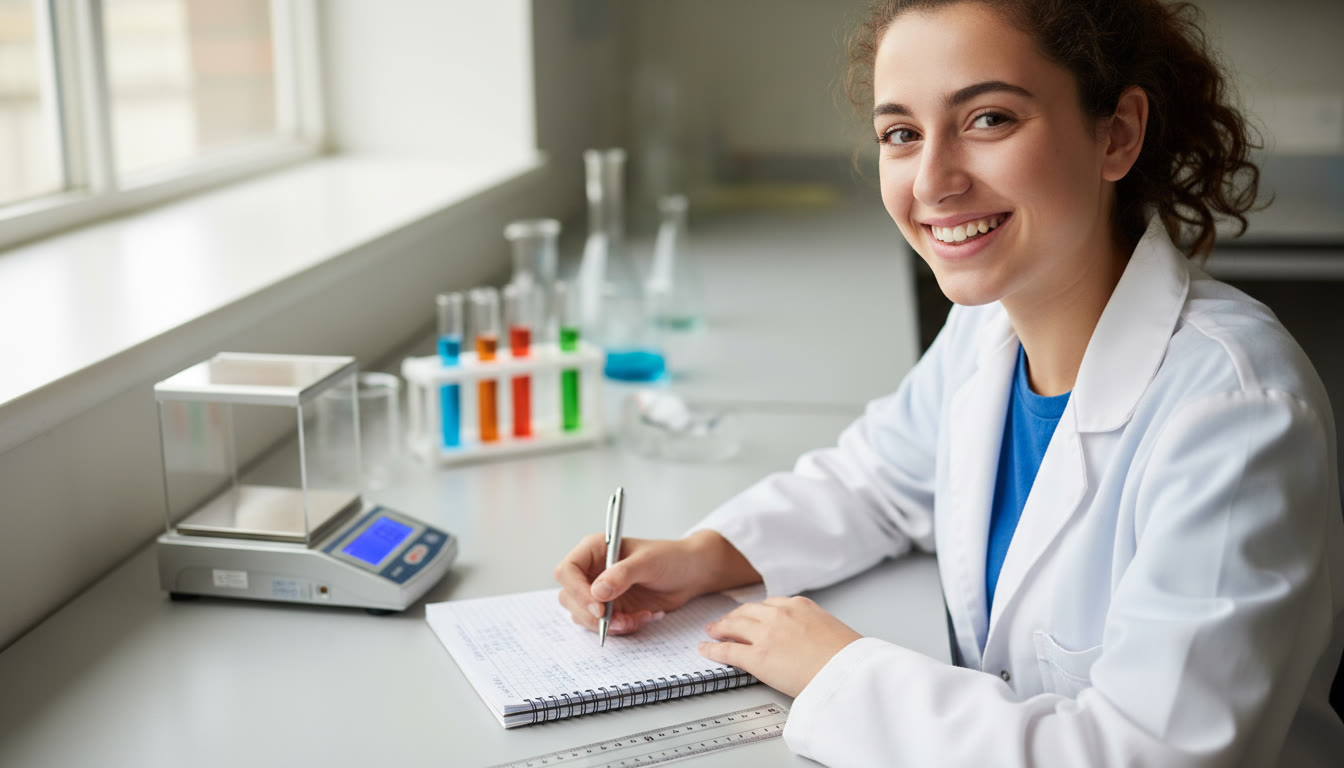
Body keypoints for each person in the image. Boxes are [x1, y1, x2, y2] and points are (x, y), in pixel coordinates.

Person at [554, 0, 1344, 764]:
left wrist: (840, 672)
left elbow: (1143, 756)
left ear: (1117, 133)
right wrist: (704, 554)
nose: (932, 181)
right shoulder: (989, 328)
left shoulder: (1235, 413)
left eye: (988, 119)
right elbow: (878, 481)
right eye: (901, 133)